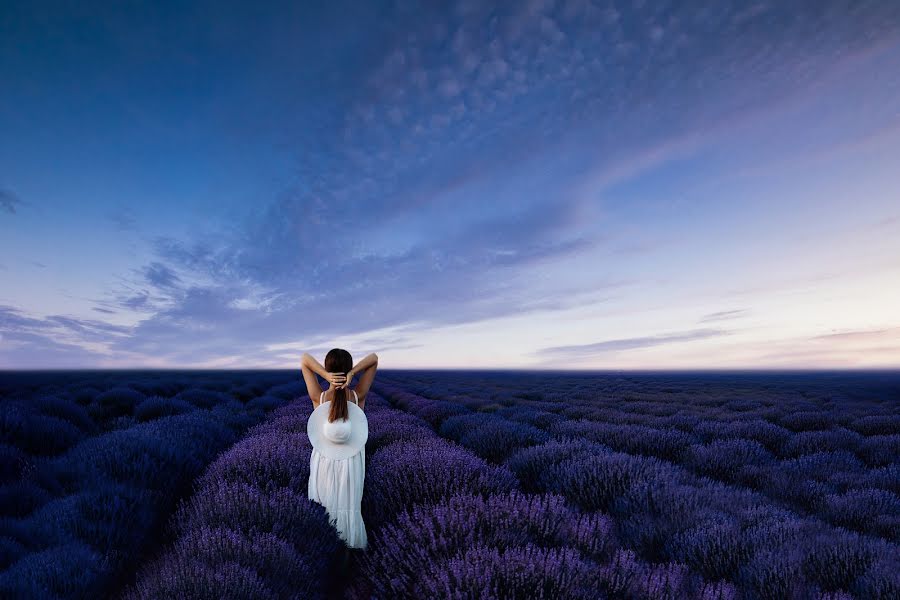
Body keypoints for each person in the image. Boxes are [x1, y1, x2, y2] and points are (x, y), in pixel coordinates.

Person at [301, 349, 378, 553]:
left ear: (327, 368)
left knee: (324, 506)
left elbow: (305, 359)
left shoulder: (319, 397)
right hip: (351, 461)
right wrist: (352, 373)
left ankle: (323, 555)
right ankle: (349, 557)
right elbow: (373, 359)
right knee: (348, 506)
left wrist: (325, 376)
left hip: (324, 460)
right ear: (347, 369)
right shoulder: (356, 396)